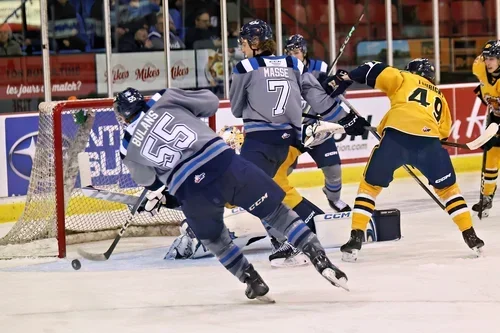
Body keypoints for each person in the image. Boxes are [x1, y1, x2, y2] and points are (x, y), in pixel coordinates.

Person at [114, 86, 350, 300]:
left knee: (216, 240)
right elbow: (210, 103)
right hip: (225, 164)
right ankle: (320, 259)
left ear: (123, 115)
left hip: (191, 190)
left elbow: (147, 180)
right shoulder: (164, 98)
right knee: (278, 213)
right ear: (142, 101)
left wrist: (160, 193)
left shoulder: (126, 146)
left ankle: (251, 280)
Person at [229, 19, 370, 267]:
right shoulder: (294, 64)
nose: (241, 47)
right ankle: (289, 238)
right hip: (286, 143)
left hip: (259, 142)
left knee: (250, 190)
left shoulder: (244, 67)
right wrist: (347, 119)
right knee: (266, 189)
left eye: (243, 42)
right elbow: (318, 98)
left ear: (254, 42)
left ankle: (292, 241)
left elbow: (236, 108)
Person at [332, 59, 485, 262]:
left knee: (370, 187)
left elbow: (372, 68)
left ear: (412, 71)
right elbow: (443, 132)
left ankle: (356, 238)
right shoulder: (440, 97)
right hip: (429, 142)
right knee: (449, 191)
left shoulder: (405, 78)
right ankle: (470, 235)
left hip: (396, 138)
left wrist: (347, 77)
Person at [283, 34, 352, 213]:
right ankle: (279, 205)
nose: (293, 55)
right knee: (282, 172)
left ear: (304, 52)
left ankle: (334, 198)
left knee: (334, 169)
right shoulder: (281, 69)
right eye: (289, 52)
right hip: (291, 131)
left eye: (296, 52)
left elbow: (330, 94)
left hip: (316, 128)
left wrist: (330, 86)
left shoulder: (320, 67)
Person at [471, 40, 500, 217]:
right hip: (496, 115)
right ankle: (487, 198)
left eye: (493, 58)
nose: (488, 62)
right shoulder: (478, 66)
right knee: (491, 154)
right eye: (487, 58)